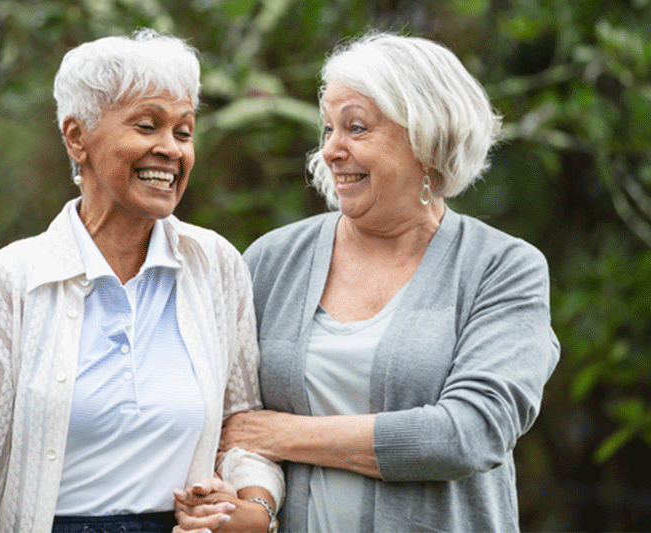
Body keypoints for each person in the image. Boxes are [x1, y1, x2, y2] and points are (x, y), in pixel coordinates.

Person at [177, 30, 560, 532]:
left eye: (356, 128)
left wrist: (283, 434)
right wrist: (245, 504)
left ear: (427, 138)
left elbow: (469, 433)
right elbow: (228, 426)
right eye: (329, 129)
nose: (332, 150)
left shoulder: (502, 268)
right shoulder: (271, 260)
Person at [0, 29, 283, 533]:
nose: (170, 150)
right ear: (77, 137)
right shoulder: (6, 285)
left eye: (183, 133)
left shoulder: (216, 267)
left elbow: (243, 430)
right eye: (147, 126)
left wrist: (251, 506)